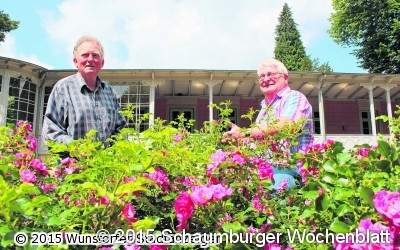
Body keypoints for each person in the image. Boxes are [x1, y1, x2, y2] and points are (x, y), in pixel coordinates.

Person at [225, 58, 313, 189]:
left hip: (292, 169)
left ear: (285, 77)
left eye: (270, 74)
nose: (265, 79)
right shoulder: (264, 108)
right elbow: (259, 140)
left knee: (274, 192)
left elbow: (285, 126)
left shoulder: (294, 97)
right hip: (268, 169)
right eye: (262, 76)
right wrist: (236, 140)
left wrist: (244, 132)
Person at [42, 36, 126, 144]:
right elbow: (51, 131)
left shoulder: (110, 93)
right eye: (85, 55)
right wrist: (77, 148)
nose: (90, 59)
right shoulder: (63, 88)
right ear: (75, 61)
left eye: (95, 55)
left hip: (106, 160)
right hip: (75, 160)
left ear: (102, 62)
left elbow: (121, 130)